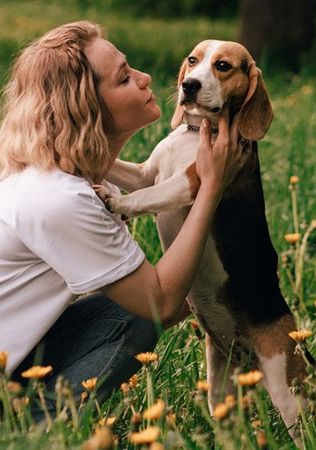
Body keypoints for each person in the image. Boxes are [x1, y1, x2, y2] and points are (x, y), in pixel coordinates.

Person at [0, 21, 246, 417]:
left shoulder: (53, 172)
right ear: (88, 107)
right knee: (140, 314)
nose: (147, 78)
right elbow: (163, 304)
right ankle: (34, 431)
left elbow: (179, 299)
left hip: (13, 354)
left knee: (127, 310)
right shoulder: (59, 198)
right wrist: (211, 187)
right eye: (125, 78)